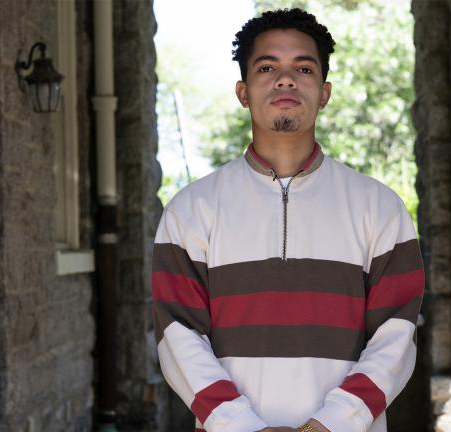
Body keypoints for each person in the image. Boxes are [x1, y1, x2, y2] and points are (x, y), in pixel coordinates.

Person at [151, 8, 424, 432]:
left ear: (325, 92)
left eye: (303, 68)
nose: (285, 79)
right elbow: (178, 337)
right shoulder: (190, 210)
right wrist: (243, 426)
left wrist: (328, 425)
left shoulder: (379, 208)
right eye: (267, 67)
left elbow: (396, 337)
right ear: (243, 92)